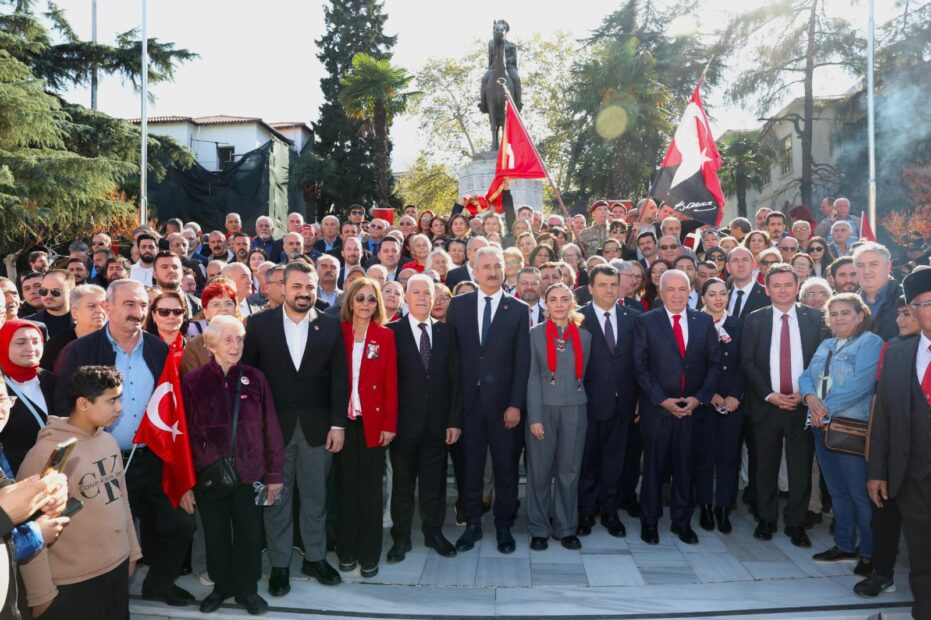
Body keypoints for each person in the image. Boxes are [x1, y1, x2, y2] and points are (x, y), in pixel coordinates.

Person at [53, 279, 195, 606]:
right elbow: (64, 407)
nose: (138, 312)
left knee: (180, 524)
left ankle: (159, 584)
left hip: (153, 457)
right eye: (129, 304)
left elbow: (172, 406)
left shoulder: (159, 349)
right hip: (102, 459)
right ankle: (107, 596)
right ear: (108, 307)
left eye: (143, 305)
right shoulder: (82, 351)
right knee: (109, 533)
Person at [241, 261, 348, 595]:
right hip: (273, 431)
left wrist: (337, 424)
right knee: (276, 499)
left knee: (316, 498)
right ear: (282, 288)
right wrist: (254, 427)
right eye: (298, 287)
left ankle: (315, 558)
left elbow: (339, 379)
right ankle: (280, 565)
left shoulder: (331, 326)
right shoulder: (259, 325)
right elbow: (249, 379)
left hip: (318, 430)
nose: (304, 293)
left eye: (310, 287)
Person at [19, 366, 139, 620]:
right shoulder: (44, 455)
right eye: (112, 400)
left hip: (116, 568)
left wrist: (132, 551)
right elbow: (27, 527)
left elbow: (121, 500)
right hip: (72, 583)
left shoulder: (108, 441)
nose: (120, 408)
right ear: (83, 404)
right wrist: (40, 595)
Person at [184, 316, 284, 615]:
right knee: (215, 534)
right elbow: (187, 433)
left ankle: (247, 591)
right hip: (211, 475)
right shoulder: (194, 381)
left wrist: (274, 474)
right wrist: (190, 478)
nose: (235, 345)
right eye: (228, 339)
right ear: (211, 344)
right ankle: (222, 587)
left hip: (249, 472)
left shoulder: (255, 378)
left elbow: (271, 428)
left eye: (239, 338)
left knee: (249, 535)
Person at [446, 246, 530, 555]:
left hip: (504, 408)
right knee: (470, 470)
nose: (493, 271)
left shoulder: (519, 309)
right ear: (475, 270)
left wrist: (515, 404)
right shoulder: (458, 306)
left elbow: (523, 362)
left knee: (506, 469)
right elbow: (453, 364)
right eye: (486, 266)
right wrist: (454, 414)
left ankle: (504, 526)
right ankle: (472, 526)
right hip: (468, 407)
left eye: (498, 266)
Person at [633, 269, 722, 545]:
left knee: (686, 466)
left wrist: (699, 398)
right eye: (670, 289)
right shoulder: (646, 321)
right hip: (658, 408)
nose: (676, 294)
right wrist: (662, 400)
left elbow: (714, 363)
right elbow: (640, 365)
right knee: (653, 468)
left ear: (690, 292)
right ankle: (649, 521)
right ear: (660, 293)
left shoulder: (703, 321)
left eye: (682, 289)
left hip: (693, 408)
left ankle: (681, 522)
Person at [740, 264, 827, 547]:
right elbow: (748, 362)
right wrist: (769, 394)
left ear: (797, 285)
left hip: (803, 406)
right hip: (767, 406)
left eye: (788, 284)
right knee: (764, 467)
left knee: (801, 468)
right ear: (767, 289)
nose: (782, 290)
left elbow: (821, 361)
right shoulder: (754, 319)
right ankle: (766, 519)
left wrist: (805, 393)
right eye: (775, 285)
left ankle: (796, 522)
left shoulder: (815, 318)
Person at [798, 293, 883, 575]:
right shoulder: (826, 344)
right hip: (821, 427)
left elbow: (862, 383)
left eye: (845, 312)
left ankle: (870, 552)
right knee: (836, 491)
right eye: (833, 313)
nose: (838, 318)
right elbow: (806, 375)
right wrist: (810, 399)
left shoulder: (870, 343)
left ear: (860, 315)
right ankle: (845, 545)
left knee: (859, 493)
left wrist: (824, 408)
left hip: (850, 428)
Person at [867, 268, 931, 619]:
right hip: (913, 476)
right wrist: (877, 471)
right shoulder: (897, 353)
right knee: (922, 556)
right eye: (924, 304)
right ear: (913, 309)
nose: (929, 310)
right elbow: (884, 419)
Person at [386, 275, 461, 562]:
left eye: (427, 293)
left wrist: (454, 420)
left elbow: (455, 380)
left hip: (438, 425)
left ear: (434, 298)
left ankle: (433, 533)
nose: (421, 297)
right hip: (403, 426)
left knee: (435, 483)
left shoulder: (446, 333)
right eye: (415, 292)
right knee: (403, 485)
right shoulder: (391, 332)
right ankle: (401, 538)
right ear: (406, 297)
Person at [335, 278, 398, 578]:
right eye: (359, 298)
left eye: (371, 299)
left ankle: (369, 554)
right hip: (343, 425)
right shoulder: (339, 332)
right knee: (346, 490)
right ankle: (346, 550)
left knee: (371, 492)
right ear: (350, 301)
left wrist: (389, 424)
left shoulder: (384, 336)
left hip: (373, 424)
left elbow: (391, 384)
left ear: (378, 305)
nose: (365, 304)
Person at [525, 282, 591, 551]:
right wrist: (535, 416)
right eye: (554, 299)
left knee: (569, 471)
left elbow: (586, 373)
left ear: (572, 303)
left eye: (565, 299)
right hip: (544, 408)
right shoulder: (534, 335)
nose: (560, 304)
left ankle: (565, 527)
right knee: (539, 471)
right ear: (546, 304)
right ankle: (539, 527)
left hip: (575, 408)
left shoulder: (585, 336)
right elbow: (532, 377)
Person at [577, 265, 639, 538]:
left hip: (624, 403)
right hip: (587, 404)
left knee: (615, 461)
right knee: (587, 461)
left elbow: (640, 362)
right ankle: (586, 511)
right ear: (590, 288)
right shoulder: (578, 318)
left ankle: (610, 511)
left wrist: (638, 399)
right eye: (602, 285)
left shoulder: (633, 318)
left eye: (613, 284)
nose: (609, 290)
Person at [695, 278, 745, 534]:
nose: (718, 299)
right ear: (702, 297)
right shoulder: (696, 322)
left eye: (723, 294)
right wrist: (709, 393)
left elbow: (743, 363)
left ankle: (723, 507)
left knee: (728, 458)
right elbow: (692, 365)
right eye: (712, 294)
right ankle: (704, 504)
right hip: (704, 401)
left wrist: (735, 395)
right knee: (704, 457)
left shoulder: (738, 324)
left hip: (732, 403)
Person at [0, 320, 55, 473]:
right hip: (12, 476)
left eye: (36, 341)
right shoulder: (2, 385)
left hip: (51, 472)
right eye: (21, 342)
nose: (31, 348)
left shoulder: (51, 380)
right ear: (4, 344)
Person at [41, 284, 107, 372]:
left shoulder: (116, 340)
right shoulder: (58, 344)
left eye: (103, 306)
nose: (100, 311)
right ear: (75, 313)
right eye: (92, 306)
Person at [182, 281, 241, 377]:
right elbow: (192, 386)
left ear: (235, 309)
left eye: (228, 303)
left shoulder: (248, 339)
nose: (223, 309)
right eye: (216, 304)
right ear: (205, 313)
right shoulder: (194, 346)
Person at [854, 242, 903, 341]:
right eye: (860, 265)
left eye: (873, 264)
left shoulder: (906, 299)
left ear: (888, 266)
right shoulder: (850, 304)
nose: (866, 271)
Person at [25, 270, 75, 339]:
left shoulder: (84, 319)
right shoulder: (29, 323)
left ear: (71, 292)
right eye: (44, 291)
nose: (48, 296)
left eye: (56, 291)